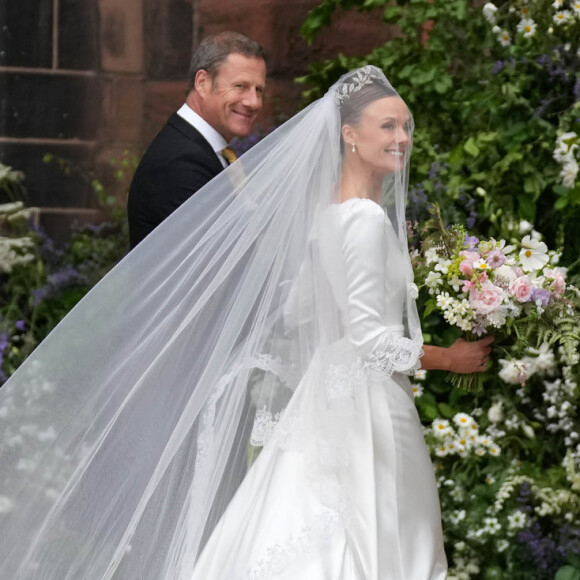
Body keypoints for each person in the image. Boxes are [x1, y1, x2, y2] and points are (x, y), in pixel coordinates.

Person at [0, 67, 492, 579]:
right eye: (387, 126)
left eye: (405, 126)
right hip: (368, 405)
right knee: (385, 536)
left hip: (325, 399)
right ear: (349, 133)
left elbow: (298, 311)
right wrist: (449, 357)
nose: (402, 138)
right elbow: (370, 340)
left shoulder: (327, 217)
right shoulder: (365, 221)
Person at [127, 31, 267, 249]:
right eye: (241, 86)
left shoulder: (205, 151)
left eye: (259, 90)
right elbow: (215, 260)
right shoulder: (179, 162)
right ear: (202, 83)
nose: (254, 102)